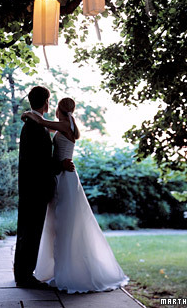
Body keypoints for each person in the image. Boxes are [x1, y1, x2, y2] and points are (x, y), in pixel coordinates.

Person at [22, 97, 129, 293]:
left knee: (65, 222)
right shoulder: (67, 125)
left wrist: (28, 114)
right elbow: (45, 128)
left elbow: (42, 122)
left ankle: (70, 271)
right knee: (61, 221)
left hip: (64, 176)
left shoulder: (63, 124)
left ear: (58, 109)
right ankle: (60, 267)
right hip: (63, 176)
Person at [13, 86, 75, 288]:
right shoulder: (35, 127)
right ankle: (24, 276)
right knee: (31, 232)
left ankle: (21, 273)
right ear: (46, 102)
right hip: (36, 188)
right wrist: (61, 165)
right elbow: (40, 161)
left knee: (27, 230)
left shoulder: (33, 124)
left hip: (31, 186)